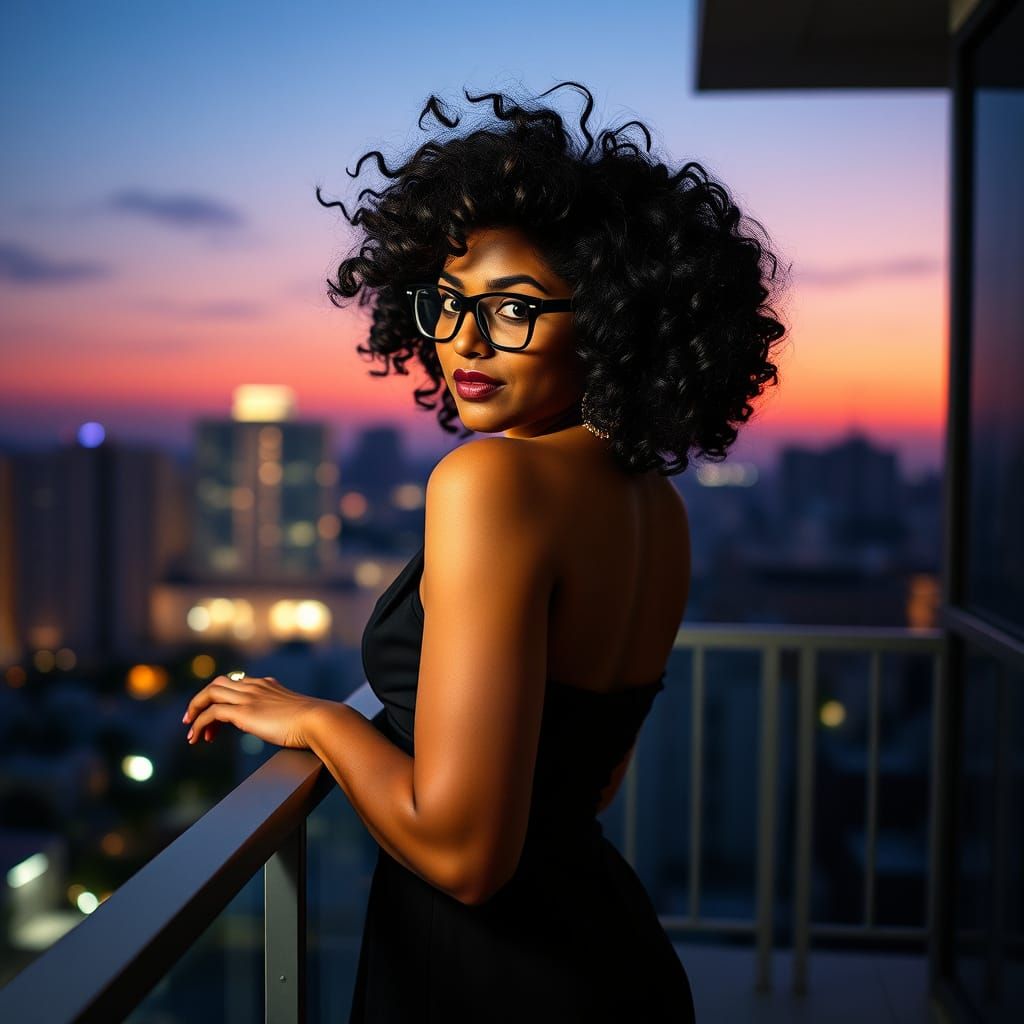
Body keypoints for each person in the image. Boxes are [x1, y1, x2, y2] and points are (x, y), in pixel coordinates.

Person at [183, 79, 788, 1022]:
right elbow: (591, 772)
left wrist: (315, 722)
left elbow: (467, 857)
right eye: (449, 302)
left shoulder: (490, 484)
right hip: (606, 952)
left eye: (513, 309)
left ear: (616, 317)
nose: (463, 340)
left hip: (490, 978)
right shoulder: (655, 505)